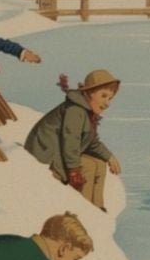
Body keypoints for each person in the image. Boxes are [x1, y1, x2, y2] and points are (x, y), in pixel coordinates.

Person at [25, 70, 122, 212]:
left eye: (110, 98)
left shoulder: (86, 112)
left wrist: (109, 156)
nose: (107, 103)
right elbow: (70, 141)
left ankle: (97, 209)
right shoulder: (76, 111)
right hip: (46, 155)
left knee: (100, 164)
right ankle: (83, 210)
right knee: (88, 167)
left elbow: (91, 142)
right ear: (90, 93)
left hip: (60, 152)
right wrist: (74, 169)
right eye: (103, 96)